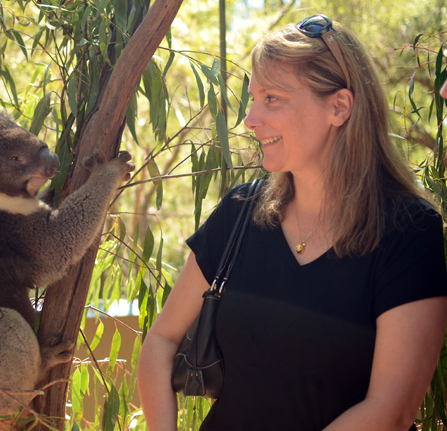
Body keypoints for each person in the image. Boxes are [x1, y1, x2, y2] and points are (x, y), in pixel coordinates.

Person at [137, 14, 447, 431]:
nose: (249, 119)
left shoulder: (410, 231)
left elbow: (391, 410)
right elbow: (160, 341)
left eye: (272, 99)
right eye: (253, 98)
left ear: (339, 107)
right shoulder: (240, 210)